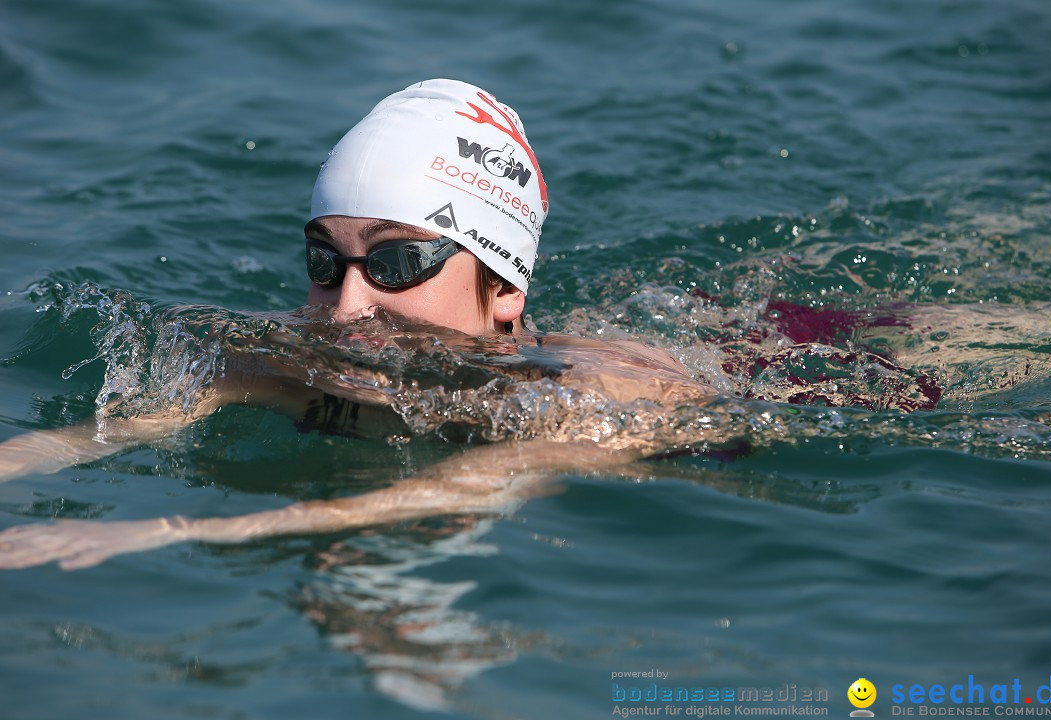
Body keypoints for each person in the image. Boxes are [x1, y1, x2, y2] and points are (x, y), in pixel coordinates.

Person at [0, 79, 715, 569]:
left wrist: (175, 529)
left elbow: (463, 487)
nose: (345, 307)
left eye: (397, 262)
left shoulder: (599, 396)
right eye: (324, 261)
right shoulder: (280, 355)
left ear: (503, 288)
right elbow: (114, 429)